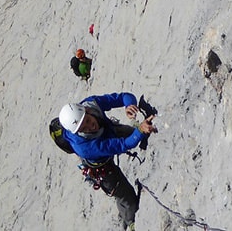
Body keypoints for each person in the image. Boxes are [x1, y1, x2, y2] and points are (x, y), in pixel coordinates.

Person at [52, 92, 157, 230]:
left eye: (88, 121)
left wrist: (129, 105)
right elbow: (122, 145)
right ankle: (130, 222)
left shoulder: (91, 103)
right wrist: (140, 131)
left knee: (133, 133)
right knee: (127, 198)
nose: (91, 127)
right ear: (77, 132)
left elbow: (123, 96)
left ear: (87, 111)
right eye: (84, 129)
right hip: (101, 168)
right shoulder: (84, 147)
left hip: (108, 132)